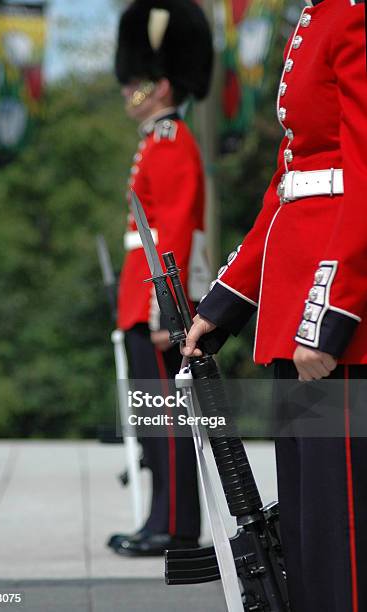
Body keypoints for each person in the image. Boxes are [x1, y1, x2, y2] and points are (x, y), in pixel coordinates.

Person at [182, 1, 367, 610]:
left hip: (333, 314)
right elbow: (288, 183)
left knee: (339, 536)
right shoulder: (320, 15)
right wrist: (226, 303)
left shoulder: (353, 17)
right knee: (308, 527)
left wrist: (332, 315)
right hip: (295, 308)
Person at [107, 0, 213, 557]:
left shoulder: (170, 139)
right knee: (152, 424)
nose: (130, 91)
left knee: (167, 423)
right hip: (136, 296)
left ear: (164, 84)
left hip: (154, 300)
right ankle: (159, 519)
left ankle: (174, 527)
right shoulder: (156, 136)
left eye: (140, 82)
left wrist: (159, 307)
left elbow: (169, 231)